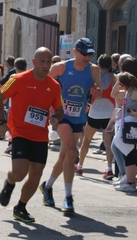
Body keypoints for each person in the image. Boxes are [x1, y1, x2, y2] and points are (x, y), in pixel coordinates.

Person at [0, 47, 64, 223]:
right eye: (42, 61)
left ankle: (21, 207)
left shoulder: (54, 86)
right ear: (33, 62)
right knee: (19, 173)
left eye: (49, 62)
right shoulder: (17, 79)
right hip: (19, 132)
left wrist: (55, 117)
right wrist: (2, 123)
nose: (46, 65)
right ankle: (10, 182)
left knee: (36, 174)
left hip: (40, 135)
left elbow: (60, 109)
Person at [40, 37, 101, 213]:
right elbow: (45, 85)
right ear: (75, 51)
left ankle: (47, 185)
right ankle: (68, 198)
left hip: (79, 116)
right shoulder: (61, 67)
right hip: (61, 114)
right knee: (73, 150)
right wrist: (50, 111)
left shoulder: (93, 69)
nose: (87, 57)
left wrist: (96, 92)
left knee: (65, 155)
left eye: (90, 54)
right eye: (84, 53)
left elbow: (98, 90)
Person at [75, 54, 117, 179]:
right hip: (109, 113)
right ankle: (109, 169)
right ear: (110, 65)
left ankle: (80, 166)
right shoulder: (113, 77)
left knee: (86, 141)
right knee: (108, 142)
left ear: (98, 64)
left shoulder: (94, 77)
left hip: (94, 112)